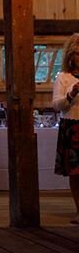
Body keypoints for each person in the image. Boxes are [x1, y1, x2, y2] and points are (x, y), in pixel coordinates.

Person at [51, 33, 79, 224]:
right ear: (70, 56)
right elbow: (56, 105)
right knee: (76, 172)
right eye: (77, 52)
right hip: (72, 126)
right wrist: (71, 95)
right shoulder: (63, 77)